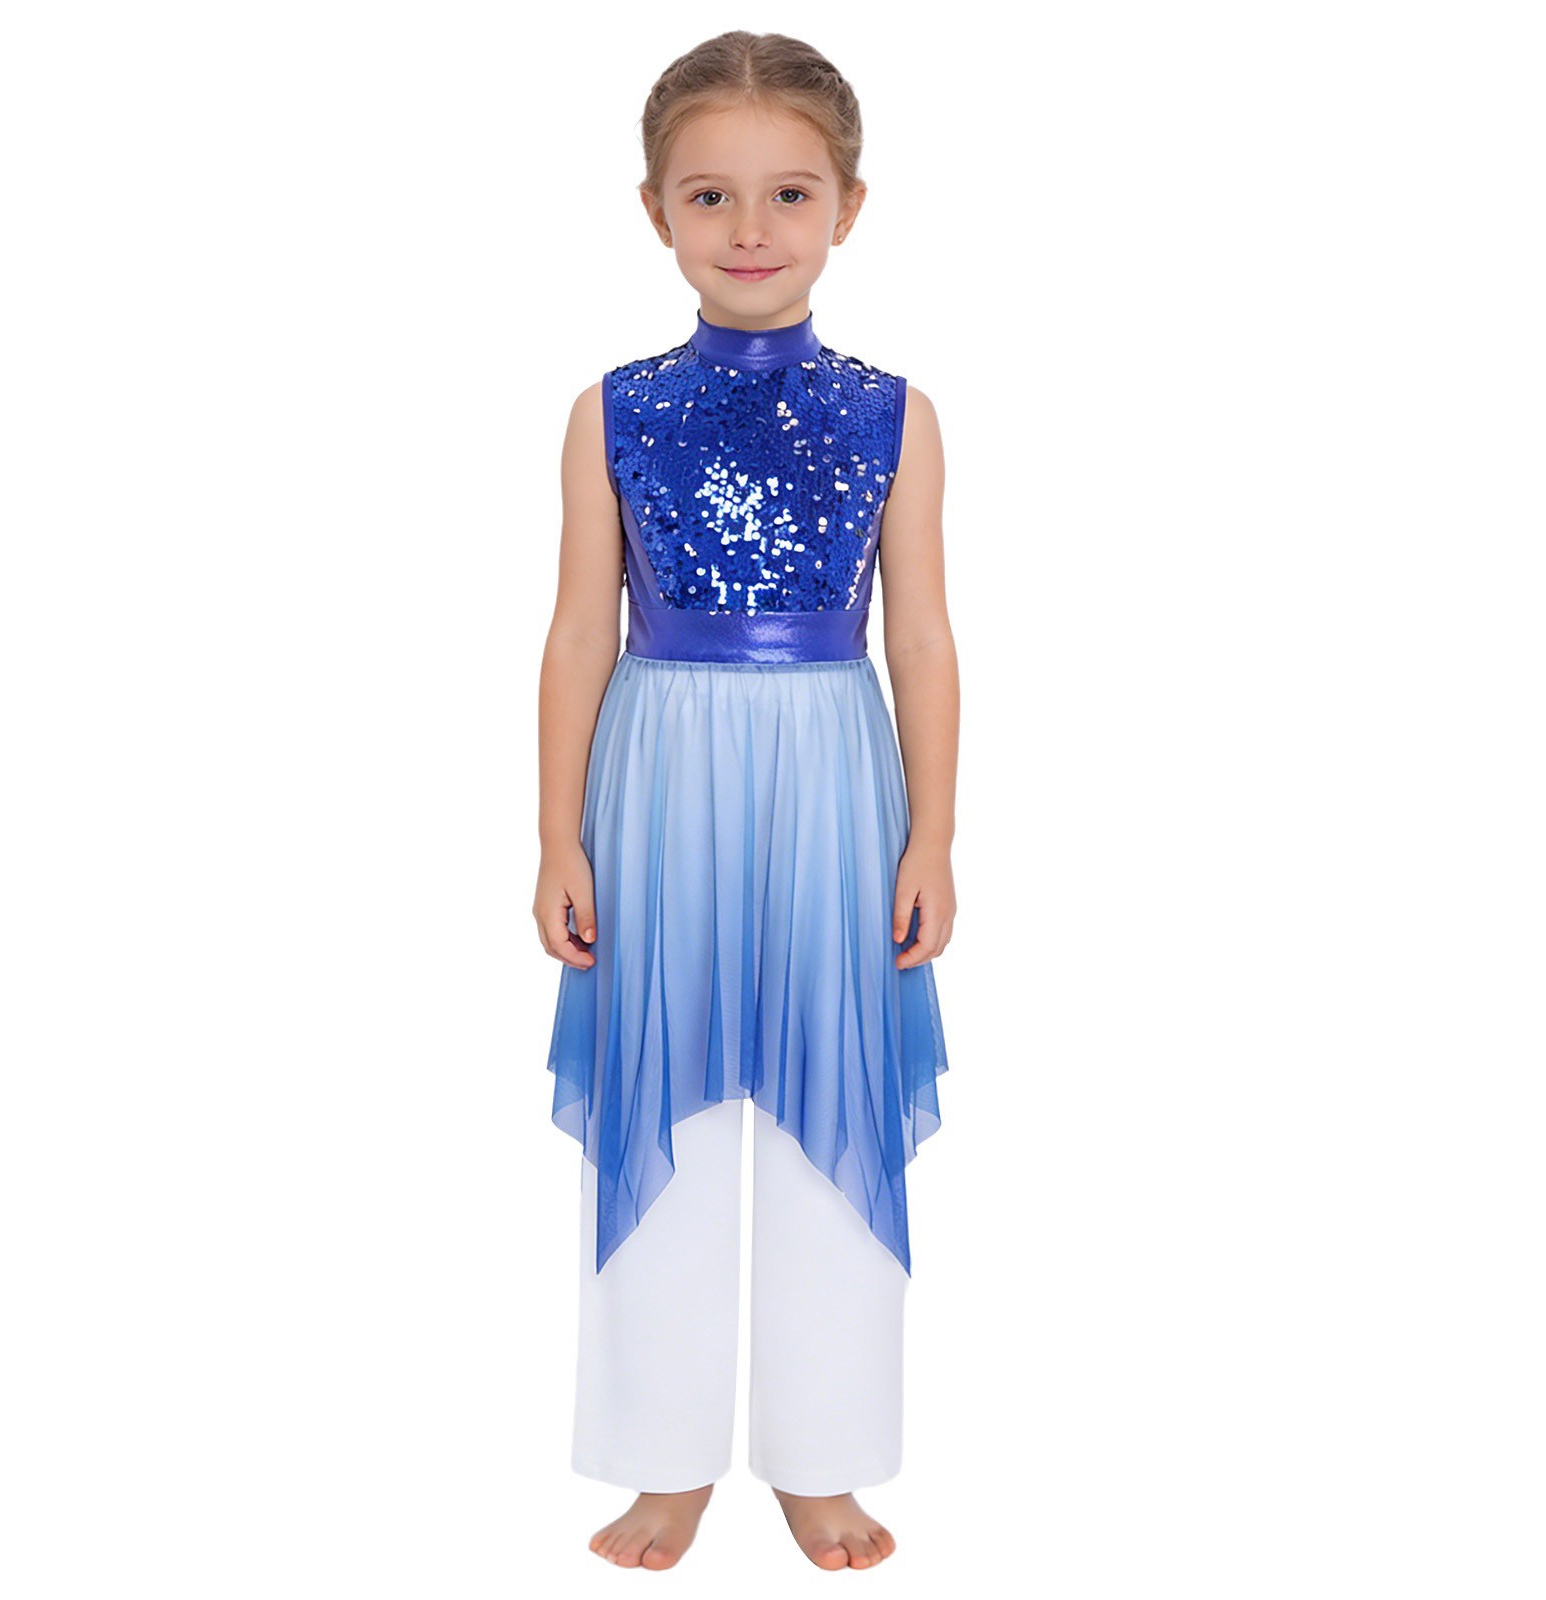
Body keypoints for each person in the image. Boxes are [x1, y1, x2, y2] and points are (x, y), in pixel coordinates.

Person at [534, 30, 959, 1573]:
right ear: (655, 209)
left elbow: (921, 637)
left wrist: (933, 834)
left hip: (833, 769)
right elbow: (579, 631)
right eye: (710, 194)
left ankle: (822, 1457)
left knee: (824, 1098)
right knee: (671, 1095)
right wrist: (557, 834)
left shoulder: (895, 412)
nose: (752, 227)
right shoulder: (612, 410)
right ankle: (662, 1460)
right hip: (660, 770)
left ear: (850, 206)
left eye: (790, 192)